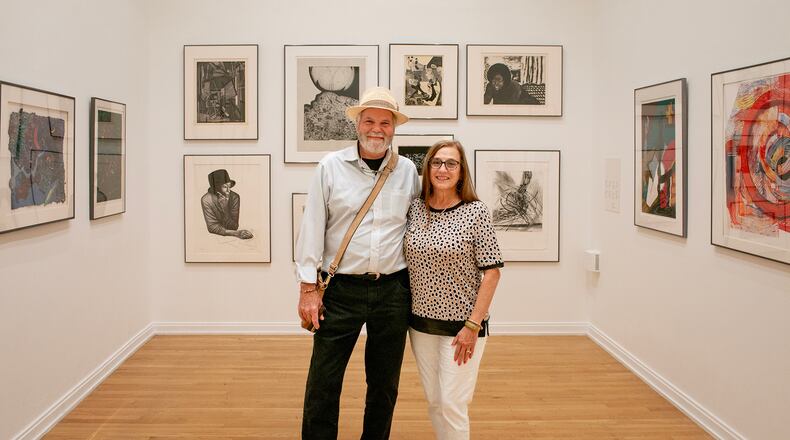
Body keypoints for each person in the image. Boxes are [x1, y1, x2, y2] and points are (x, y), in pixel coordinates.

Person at [296, 87, 420, 440]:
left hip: (392, 290)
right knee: (323, 382)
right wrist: (308, 289)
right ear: (357, 125)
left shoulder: (407, 171)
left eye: (385, 122)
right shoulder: (330, 167)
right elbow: (312, 228)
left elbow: (415, 227)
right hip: (340, 291)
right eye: (369, 121)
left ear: (394, 128)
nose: (376, 129)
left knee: (384, 384)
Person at [403, 140, 503, 440]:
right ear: (427, 168)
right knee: (435, 401)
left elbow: (492, 273)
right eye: (436, 162)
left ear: (461, 171)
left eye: (451, 163)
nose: (442, 169)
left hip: (462, 327)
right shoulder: (415, 208)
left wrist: (473, 325)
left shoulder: (476, 212)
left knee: (453, 403)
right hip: (421, 324)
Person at [200, 169, 253, 239]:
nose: (228, 190)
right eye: (225, 187)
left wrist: (225, 209)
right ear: (216, 187)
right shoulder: (206, 199)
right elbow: (212, 227)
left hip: (228, 237)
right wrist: (236, 233)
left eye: (229, 186)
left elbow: (234, 226)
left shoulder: (234, 197)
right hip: (214, 238)